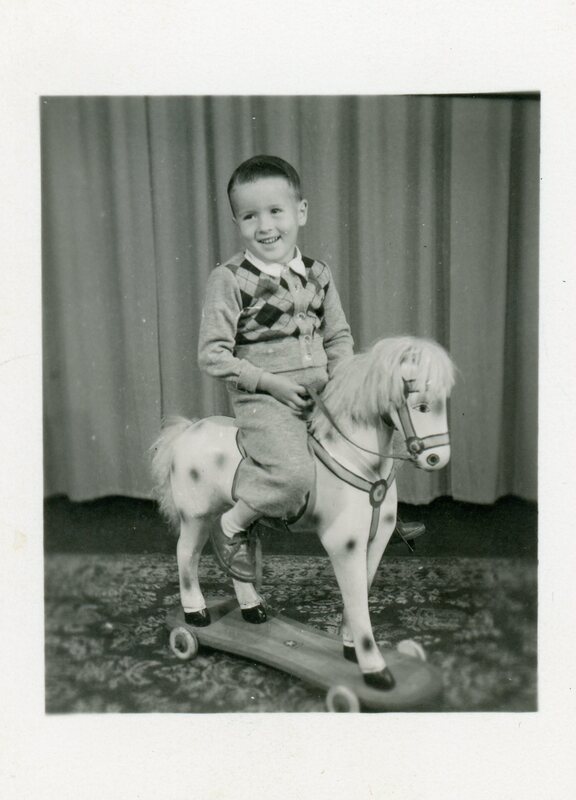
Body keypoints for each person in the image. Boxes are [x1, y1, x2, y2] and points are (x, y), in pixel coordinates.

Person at [198, 155, 423, 583]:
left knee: (382, 437)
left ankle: (381, 516)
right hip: (265, 399)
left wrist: (344, 382)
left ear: (300, 211)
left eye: (275, 211)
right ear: (236, 221)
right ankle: (231, 526)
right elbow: (212, 355)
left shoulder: (318, 273)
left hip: (322, 389)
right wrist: (270, 383)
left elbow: (338, 336)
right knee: (292, 474)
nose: (265, 226)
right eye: (250, 216)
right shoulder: (229, 279)